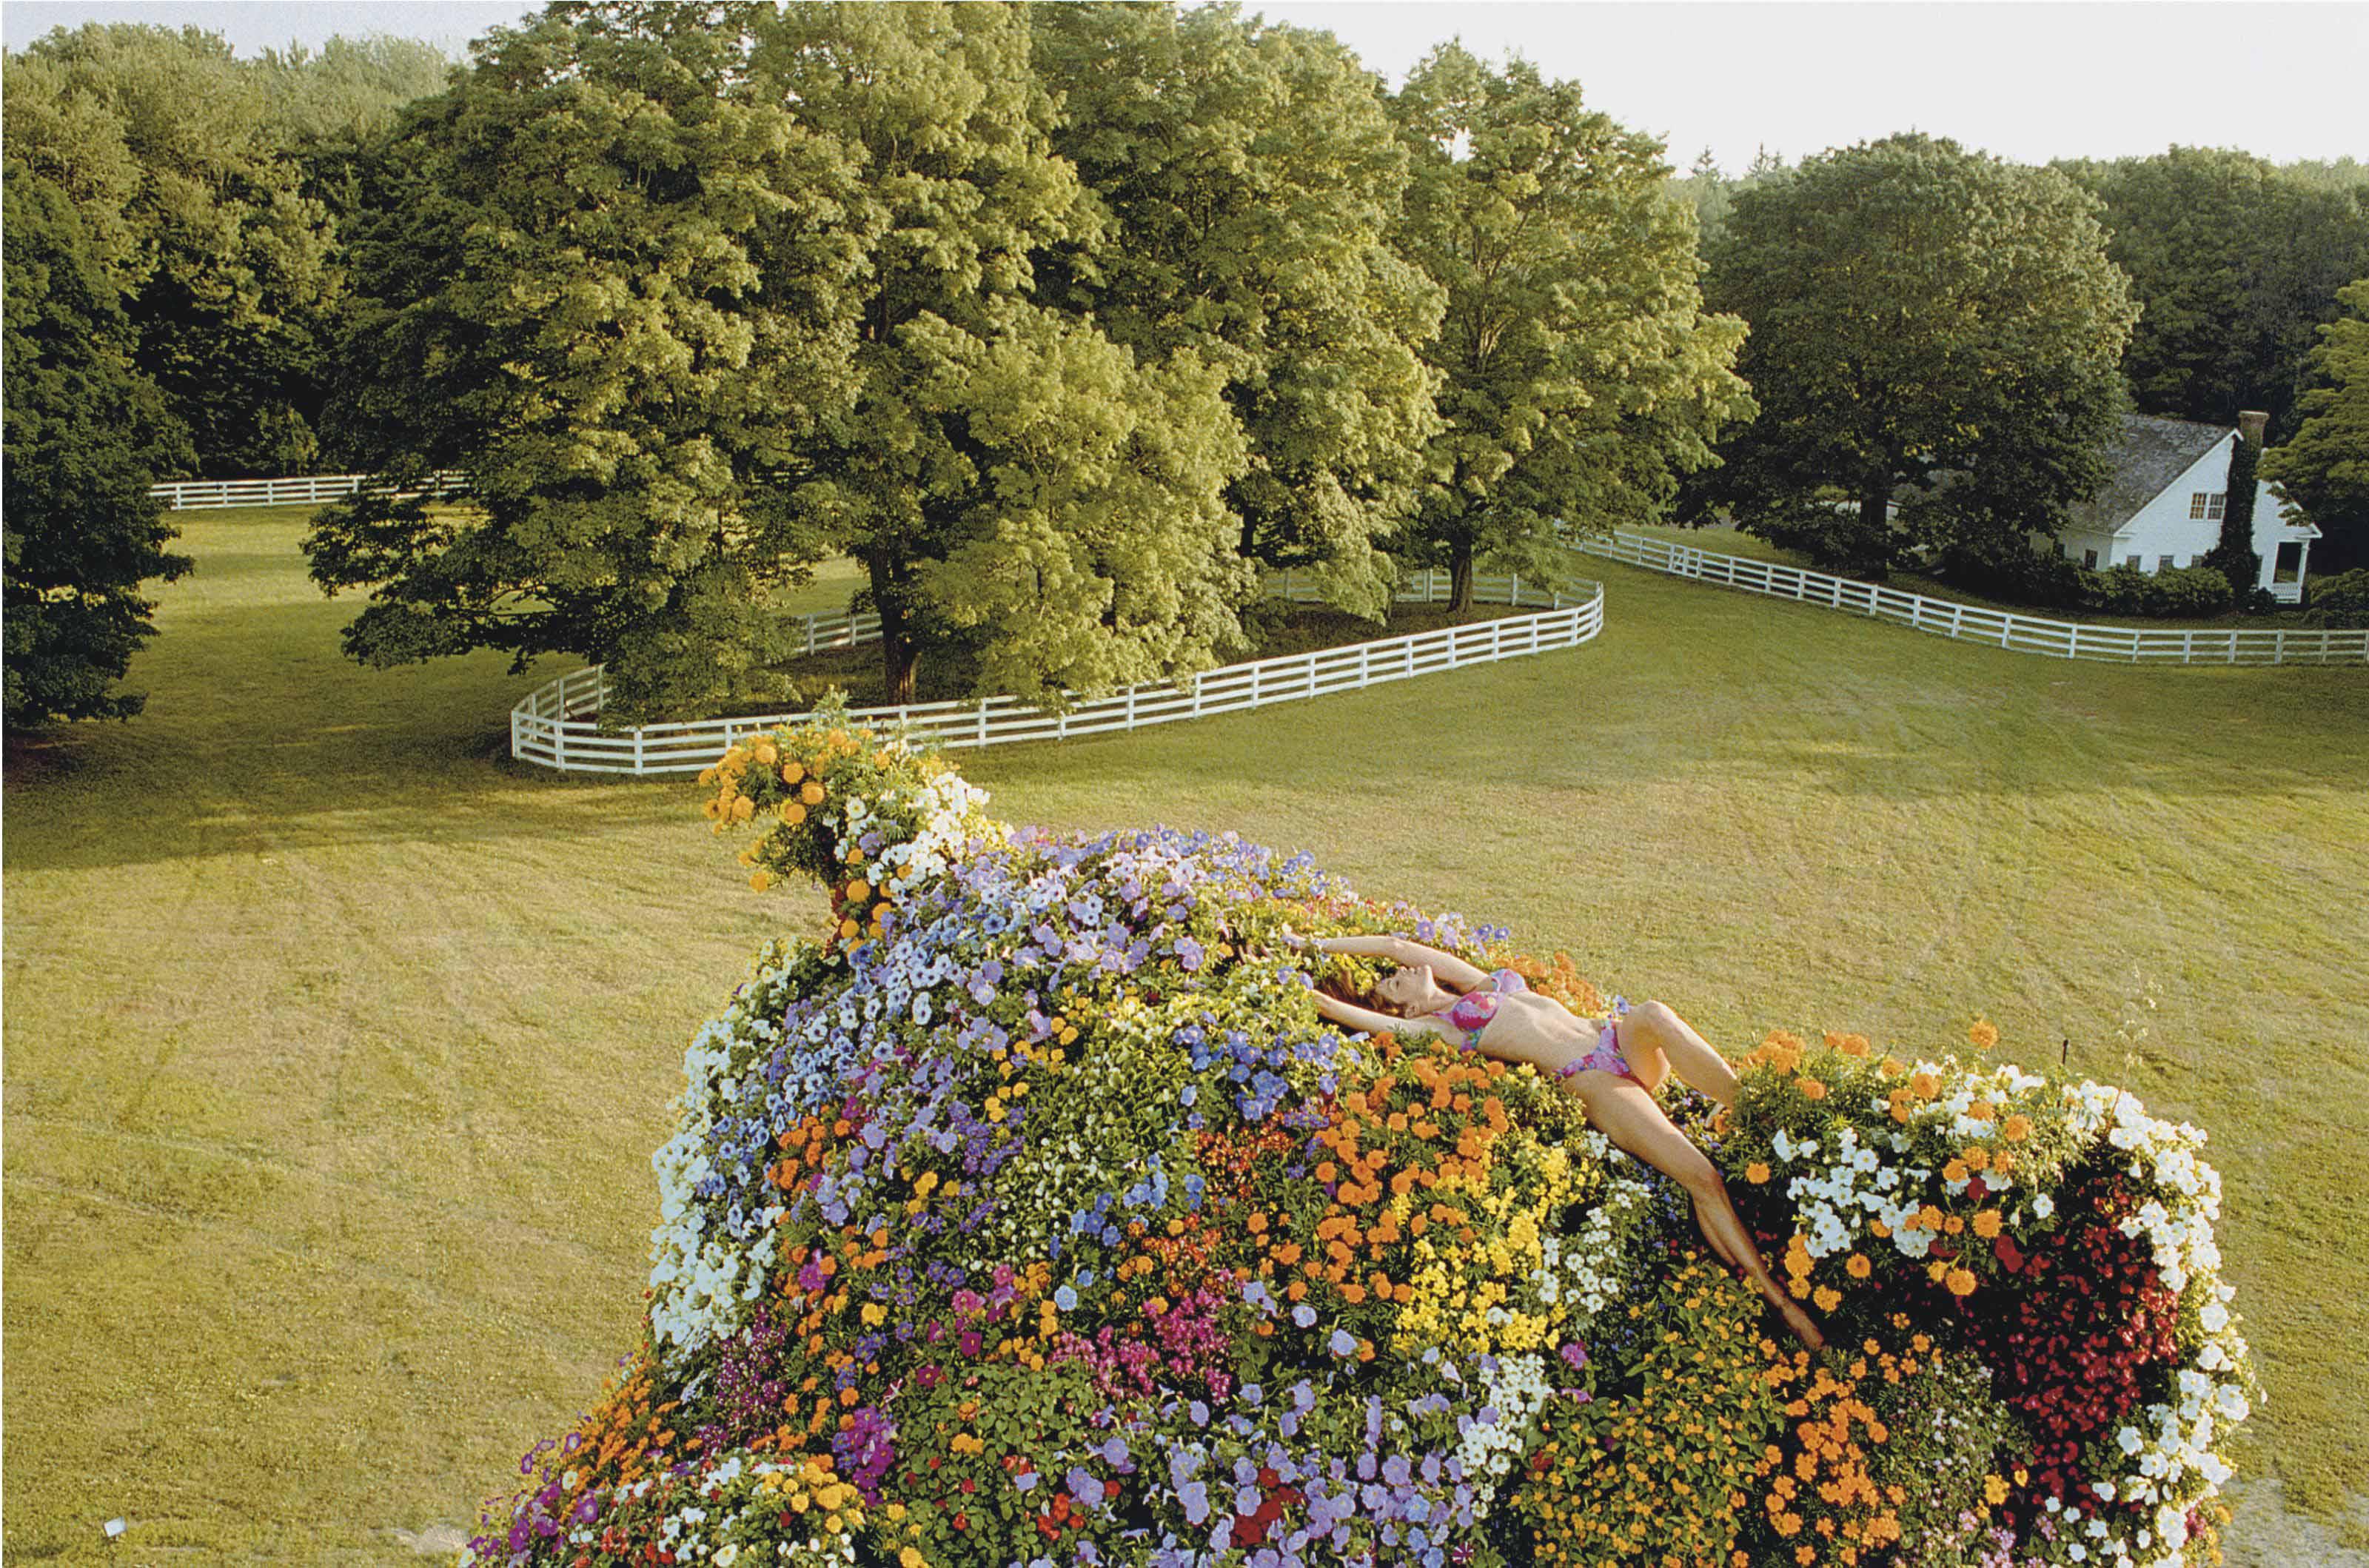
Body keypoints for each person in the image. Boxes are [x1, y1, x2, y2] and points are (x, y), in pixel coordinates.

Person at [1296, 930, 1825, 1352]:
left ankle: (1759, 1112)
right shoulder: (1445, 1028)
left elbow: (1396, 944)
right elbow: (1346, 1012)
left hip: (1613, 1039)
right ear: (1407, 1011)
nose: (1400, 972)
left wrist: (1312, 945)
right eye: (1394, 985)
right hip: (1595, 1078)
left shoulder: (1480, 984)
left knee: (1655, 1014)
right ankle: (1781, 1304)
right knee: (1701, 1177)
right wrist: (1299, 985)